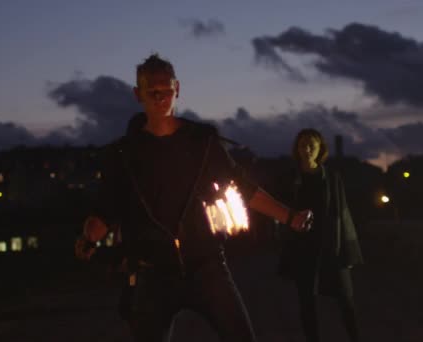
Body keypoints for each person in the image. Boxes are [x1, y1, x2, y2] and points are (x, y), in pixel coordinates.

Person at [75, 53, 312, 342]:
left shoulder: (202, 143)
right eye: (153, 91)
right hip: (153, 273)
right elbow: (108, 209)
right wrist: (89, 237)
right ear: (139, 94)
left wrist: (290, 217)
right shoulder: (124, 155)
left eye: (166, 89)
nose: (161, 97)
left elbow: (243, 187)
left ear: (178, 89)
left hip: (206, 265)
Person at [277, 129, 363, 342]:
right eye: (302, 145)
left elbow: (343, 215)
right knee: (307, 303)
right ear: (297, 149)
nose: (306, 149)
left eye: (311, 145)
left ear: (320, 148)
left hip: (331, 245)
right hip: (303, 248)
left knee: (346, 301)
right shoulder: (292, 178)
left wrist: (348, 252)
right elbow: (282, 210)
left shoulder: (332, 178)